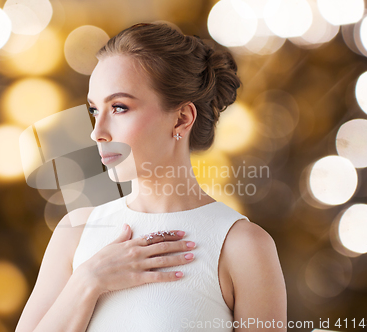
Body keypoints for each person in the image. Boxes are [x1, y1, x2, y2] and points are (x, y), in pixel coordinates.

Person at [15, 22, 287, 332]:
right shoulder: (75, 233)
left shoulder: (242, 247)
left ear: (182, 118)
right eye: (94, 110)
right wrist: (88, 280)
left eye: (119, 107)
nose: (97, 132)